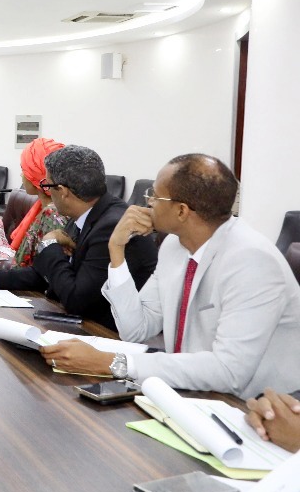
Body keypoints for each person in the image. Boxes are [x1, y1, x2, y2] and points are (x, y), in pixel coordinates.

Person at [40, 154, 300, 399]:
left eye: (155, 195)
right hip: (190, 391)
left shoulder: (251, 261)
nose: (148, 202)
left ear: (182, 211)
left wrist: (114, 363)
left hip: (256, 407)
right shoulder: (174, 246)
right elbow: (136, 330)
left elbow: (229, 371)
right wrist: (116, 249)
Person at [0, 145, 157, 329]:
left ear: (63, 191)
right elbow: (43, 273)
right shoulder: (87, 213)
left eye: (48, 185)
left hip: (106, 333)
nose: (46, 192)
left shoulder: (110, 226)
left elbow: (77, 300)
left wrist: (49, 244)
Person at [8, 138, 69, 267]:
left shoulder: (52, 215)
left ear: (36, 175)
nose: (21, 175)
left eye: (24, 170)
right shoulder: (44, 207)